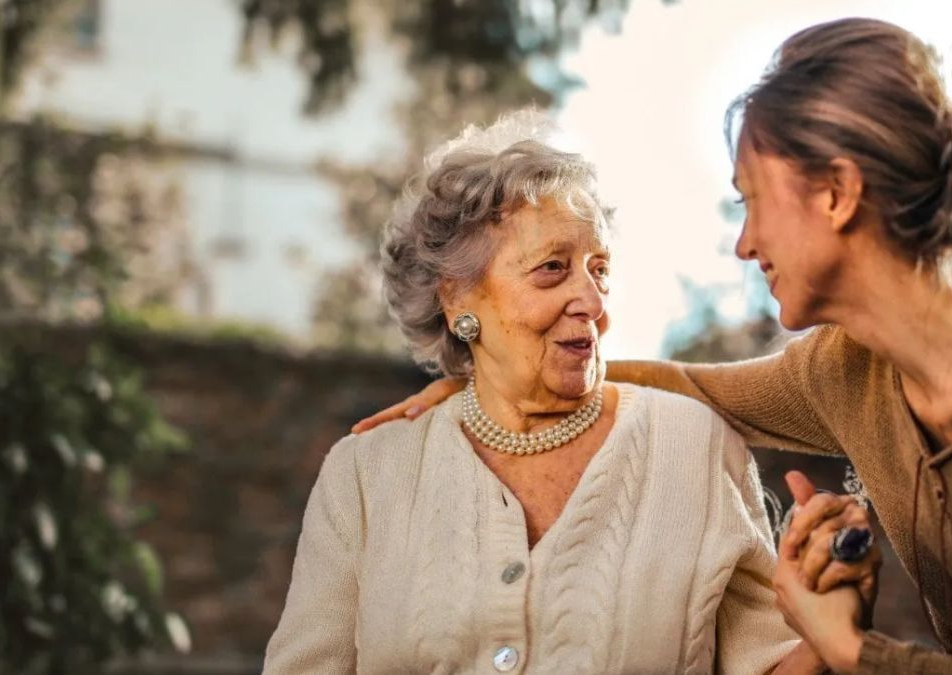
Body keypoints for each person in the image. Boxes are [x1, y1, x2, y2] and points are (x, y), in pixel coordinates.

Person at [352, 18, 952, 674]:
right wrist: (494, 381)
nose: (744, 244)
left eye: (752, 201)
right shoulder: (851, 366)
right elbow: (693, 388)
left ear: (838, 193)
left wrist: (854, 650)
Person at [265, 114, 853, 673]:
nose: (594, 304)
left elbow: (770, 663)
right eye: (552, 268)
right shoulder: (366, 475)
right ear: (458, 300)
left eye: (599, 269)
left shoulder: (694, 446)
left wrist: (829, 635)